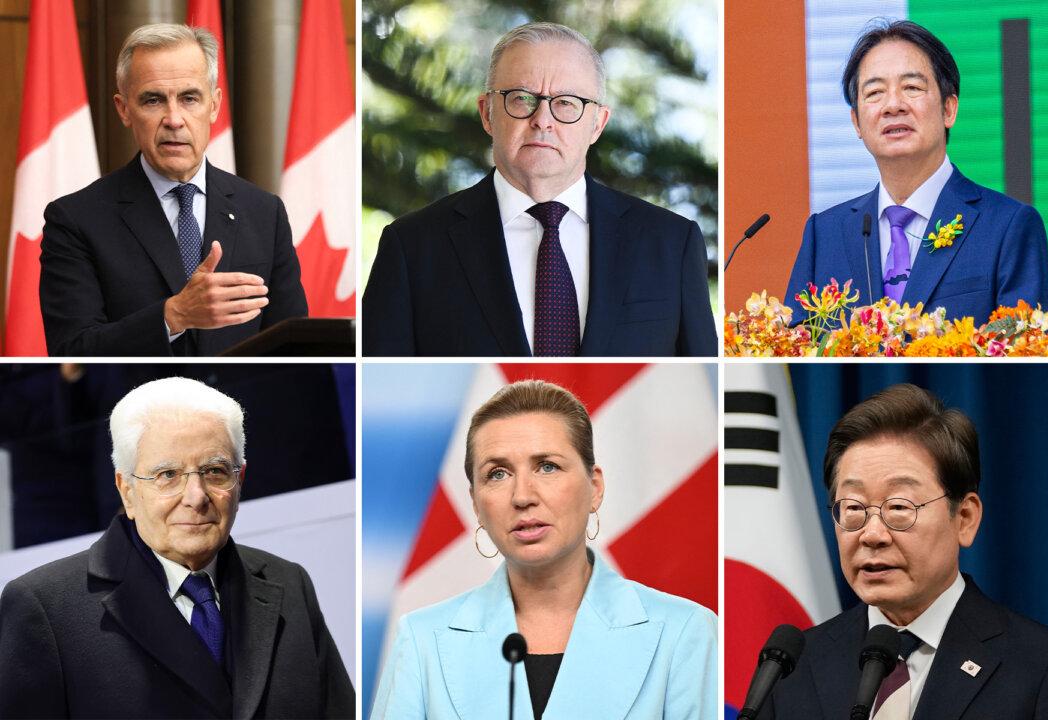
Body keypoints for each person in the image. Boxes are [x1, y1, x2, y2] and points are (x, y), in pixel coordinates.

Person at [0, 377, 354, 718]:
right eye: (168, 475)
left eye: (215, 471)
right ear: (127, 491)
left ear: (240, 480)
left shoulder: (290, 584)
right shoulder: (44, 608)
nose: (196, 497)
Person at [362, 22, 717, 357]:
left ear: (597, 124)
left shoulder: (672, 243)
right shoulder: (411, 247)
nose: (542, 120)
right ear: (487, 113)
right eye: (521, 98)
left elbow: (703, 378)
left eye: (566, 102)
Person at [371, 380, 717, 718]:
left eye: (547, 466)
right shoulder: (421, 640)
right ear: (475, 504)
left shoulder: (684, 631)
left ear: (595, 487)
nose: (523, 496)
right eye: (498, 474)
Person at [763, 384, 1048, 719]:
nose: (872, 535)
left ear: (965, 518)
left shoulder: (1046, 668)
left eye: (899, 507)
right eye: (854, 508)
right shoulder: (791, 666)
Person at [39, 24, 307, 357]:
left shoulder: (264, 212)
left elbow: (295, 346)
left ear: (214, 105)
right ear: (124, 109)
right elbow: (72, 352)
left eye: (189, 98)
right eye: (153, 100)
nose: (174, 119)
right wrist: (173, 316)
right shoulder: (76, 219)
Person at [784, 20, 1048, 326]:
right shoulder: (824, 235)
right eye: (874, 92)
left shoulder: (1008, 227)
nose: (893, 105)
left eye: (911, 88)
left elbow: (1025, 345)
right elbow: (795, 344)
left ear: (948, 109)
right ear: (857, 122)